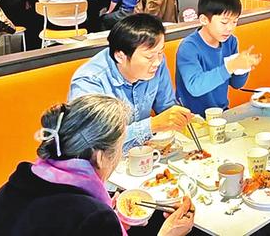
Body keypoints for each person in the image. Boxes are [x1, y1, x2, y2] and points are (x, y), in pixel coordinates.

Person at [0, 94, 195, 236]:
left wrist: (112, 218)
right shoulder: (93, 218)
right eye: (120, 147)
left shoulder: (13, 187)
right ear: (100, 156)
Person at [69, 14, 194, 151]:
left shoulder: (157, 63)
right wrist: (151, 125)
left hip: (144, 154)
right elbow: (89, 139)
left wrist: (177, 116)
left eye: (160, 52)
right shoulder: (91, 80)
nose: (157, 62)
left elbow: (166, 106)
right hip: (101, 160)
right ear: (120, 56)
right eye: (149, 57)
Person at [175, 0, 261, 115]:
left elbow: (236, 84)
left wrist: (243, 67)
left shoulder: (231, 42)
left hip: (221, 112)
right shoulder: (189, 47)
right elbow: (195, 87)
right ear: (204, 20)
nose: (230, 28)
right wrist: (230, 66)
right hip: (191, 117)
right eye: (224, 22)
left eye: (235, 22)